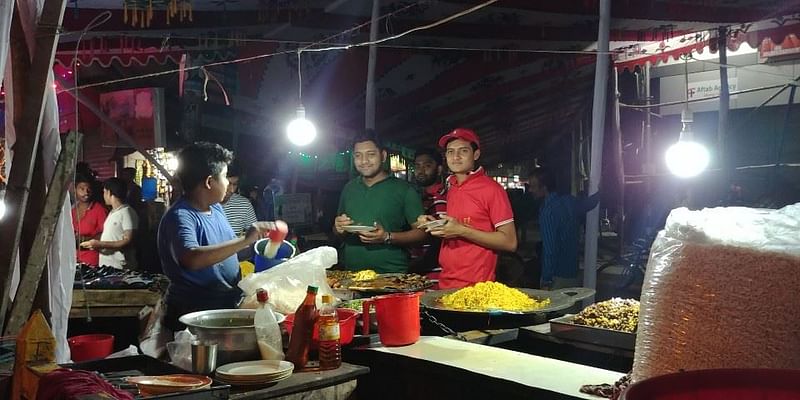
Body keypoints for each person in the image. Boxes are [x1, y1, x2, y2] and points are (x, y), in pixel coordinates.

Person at [157, 142, 278, 331]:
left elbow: (226, 253)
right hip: (195, 314)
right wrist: (245, 239)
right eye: (224, 177)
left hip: (225, 304)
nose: (229, 184)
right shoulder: (180, 216)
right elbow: (191, 258)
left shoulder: (215, 209)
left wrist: (263, 246)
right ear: (208, 182)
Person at [418, 128, 517, 289]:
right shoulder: (453, 187)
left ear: (476, 154)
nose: (455, 157)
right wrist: (434, 223)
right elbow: (462, 223)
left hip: (476, 287)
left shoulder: (492, 189)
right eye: (450, 152)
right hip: (446, 281)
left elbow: (510, 242)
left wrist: (461, 231)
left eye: (463, 151)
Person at [334, 132, 426, 273]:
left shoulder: (404, 189)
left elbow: (422, 234)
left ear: (383, 156)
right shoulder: (349, 188)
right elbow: (338, 231)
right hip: (352, 276)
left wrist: (387, 237)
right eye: (358, 155)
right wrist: (339, 228)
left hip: (392, 276)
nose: (364, 161)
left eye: (371, 154)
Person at [528, 167, 598, 289]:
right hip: (572, 271)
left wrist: (546, 278)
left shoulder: (548, 212)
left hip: (557, 276)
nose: (530, 190)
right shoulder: (569, 201)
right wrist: (600, 191)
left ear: (544, 188)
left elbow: (550, 249)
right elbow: (589, 203)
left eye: (533, 186)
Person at [80, 178, 138, 269]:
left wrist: (100, 244)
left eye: (104, 192)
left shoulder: (127, 212)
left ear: (109, 193)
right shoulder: (112, 213)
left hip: (120, 267)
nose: (103, 195)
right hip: (108, 266)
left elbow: (127, 240)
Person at [409, 148, 447, 275]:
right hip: (417, 271)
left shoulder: (442, 198)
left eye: (427, 166)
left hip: (433, 272)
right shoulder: (415, 196)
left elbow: (440, 238)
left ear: (439, 169)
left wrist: (418, 265)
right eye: (417, 166)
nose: (421, 170)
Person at [72, 173, 108, 266]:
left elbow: (105, 234)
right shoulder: (71, 211)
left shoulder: (99, 210)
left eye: (89, 189)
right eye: (82, 189)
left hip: (91, 261)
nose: (86, 192)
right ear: (74, 190)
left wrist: (85, 240)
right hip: (71, 260)